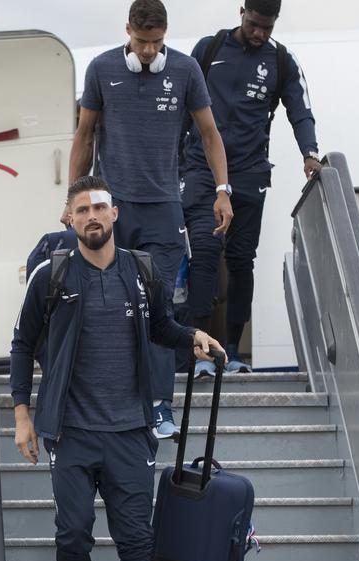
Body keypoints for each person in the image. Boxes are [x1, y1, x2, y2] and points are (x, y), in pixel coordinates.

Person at [12, 176, 222, 561]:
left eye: (100, 206)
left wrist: (192, 337)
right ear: (70, 219)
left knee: (136, 545)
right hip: (73, 435)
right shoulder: (52, 275)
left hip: (130, 434)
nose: (92, 216)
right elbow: (20, 346)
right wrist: (22, 416)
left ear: (116, 212)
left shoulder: (141, 271)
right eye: (82, 209)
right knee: (72, 537)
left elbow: (162, 328)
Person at [66, 0, 234, 439]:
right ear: (128, 31)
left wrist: (222, 190)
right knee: (105, 301)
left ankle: (160, 405)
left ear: (165, 35)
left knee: (156, 306)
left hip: (163, 209)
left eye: (156, 42)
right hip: (112, 208)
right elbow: (84, 135)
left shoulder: (184, 71)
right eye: (141, 42)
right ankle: (105, 396)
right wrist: (74, 199)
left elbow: (210, 133)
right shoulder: (101, 69)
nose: (147, 51)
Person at [181, 0, 320, 374]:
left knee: (242, 260)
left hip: (249, 173)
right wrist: (172, 164)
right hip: (201, 169)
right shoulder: (208, 50)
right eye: (254, 24)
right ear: (241, 11)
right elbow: (182, 109)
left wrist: (310, 152)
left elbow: (300, 110)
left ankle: (232, 351)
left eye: (267, 28)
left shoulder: (281, 62)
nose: (259, 34)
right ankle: (199, 350)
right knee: (206, 255)